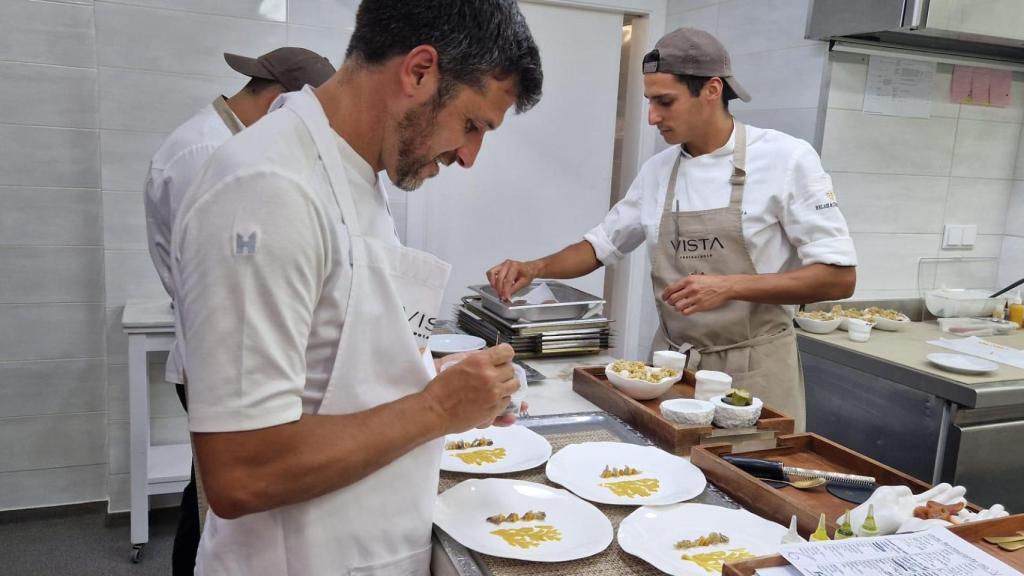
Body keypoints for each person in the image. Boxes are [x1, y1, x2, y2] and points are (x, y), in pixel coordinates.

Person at [170, 1, 543, 574]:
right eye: (473, 125)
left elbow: (329, 372)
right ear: (419, 71)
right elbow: (242, 471)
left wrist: (432, 382)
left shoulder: (354, 176)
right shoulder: (266, 189)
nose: (470, 156)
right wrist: (436, 407)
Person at [487, 28, 856, 432]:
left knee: (751, 484)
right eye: (650, 101)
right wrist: (535, 267)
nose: (652, 117)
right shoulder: (658, 170)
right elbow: (600, 245)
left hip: (755, 371)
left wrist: (730, 286)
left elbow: (838, 277)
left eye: (665, 102)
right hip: (670, 370)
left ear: (712, 89)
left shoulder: (788, 159)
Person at [142, 46, 334, 575]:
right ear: (282, 103)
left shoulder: (220, 143)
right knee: (220, 494)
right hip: (218, 358)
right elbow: (223, 273)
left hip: (224, 351)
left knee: (207, 488)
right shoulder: (208, 154)